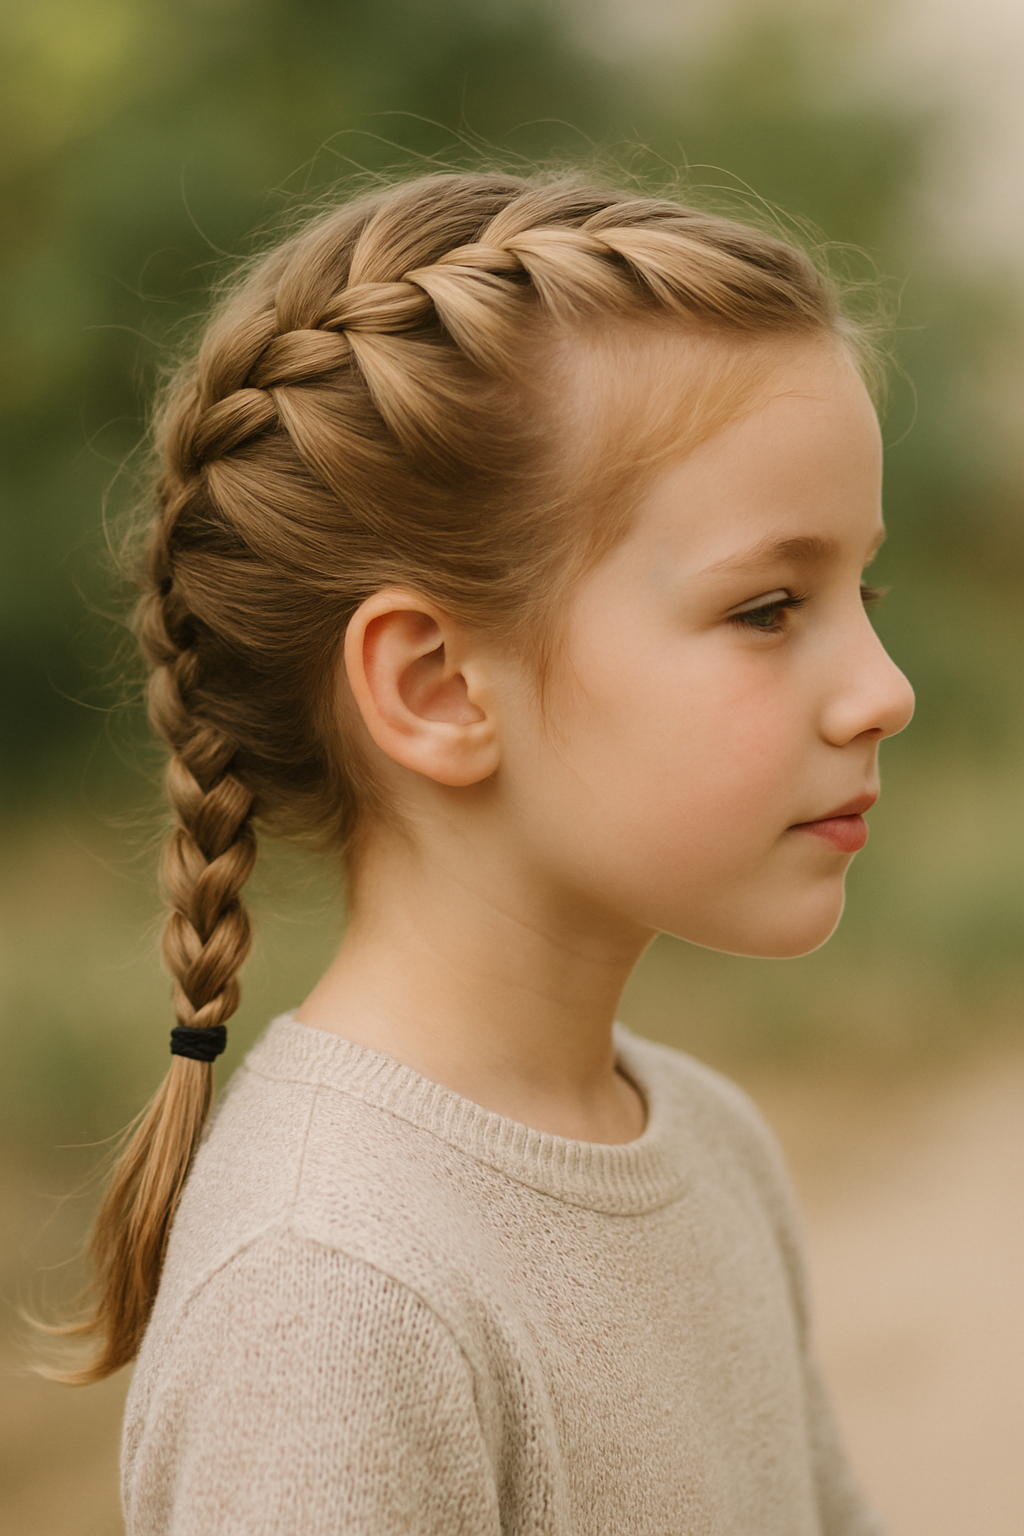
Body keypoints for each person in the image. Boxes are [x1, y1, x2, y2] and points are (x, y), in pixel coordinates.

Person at [73, 172, 914, 1533]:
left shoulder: (710, 1143)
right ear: (437, 687)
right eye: (769, 607)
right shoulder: (333, 1289)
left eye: (859, 593)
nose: (885, 689)